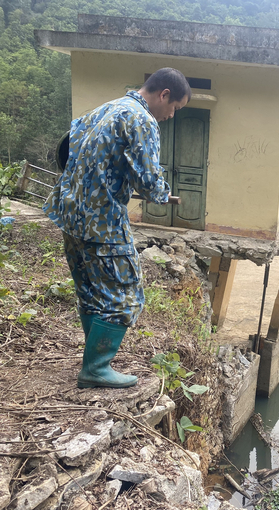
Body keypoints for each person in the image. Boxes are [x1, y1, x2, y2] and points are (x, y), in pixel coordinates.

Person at [44, 68, 191, 389]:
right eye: (175, 108)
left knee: (90, 289)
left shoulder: (105, 108)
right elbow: (150, 181)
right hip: (102, 220)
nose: (170, 115)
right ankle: (96, 367)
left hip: (69, 212)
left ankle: (93, 362)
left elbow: (65, 150)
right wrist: (162, 194)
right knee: (127, 293)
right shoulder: (142, 120)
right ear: (164, 94)